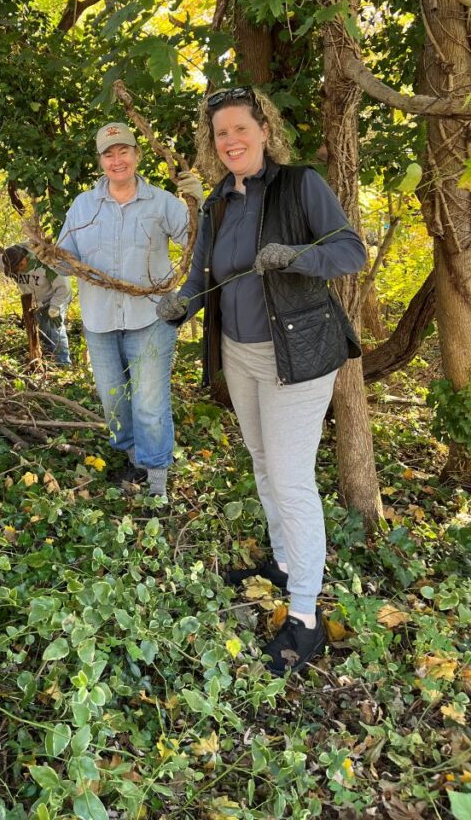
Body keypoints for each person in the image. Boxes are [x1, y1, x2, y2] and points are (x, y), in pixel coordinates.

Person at [156, 86, 366, 674]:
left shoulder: (301, 185)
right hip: (239, 354)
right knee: (263, 461)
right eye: (220, 133)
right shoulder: (217, 203)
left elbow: (351, 250)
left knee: (293, 479)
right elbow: (203, 275)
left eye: (240, 129)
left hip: (295, 355)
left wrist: (297, 255)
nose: (231, 141)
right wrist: (182, 305)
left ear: (264, 131)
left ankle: (305, 616)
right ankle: (283, 561)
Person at [57, 121, 203, 498]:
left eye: (124, 151)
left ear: (136, 155)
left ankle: (157, 483)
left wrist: (200, 205)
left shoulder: (162, 203)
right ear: (100, 161)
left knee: (150, 403)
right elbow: (63, 258)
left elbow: (198, 243)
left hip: (152, 317)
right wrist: (39, 254)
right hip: (100, 320)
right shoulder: (83, 206)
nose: (117, 160)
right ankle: (134, 460)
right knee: (114, 401)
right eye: (109, 154)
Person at [0, 243, 73, 365]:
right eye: (15, 270)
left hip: (55, 298)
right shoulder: (7, 262)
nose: (19, 271)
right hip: (36, 303)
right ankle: (49, 358)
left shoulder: (45, 263)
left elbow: (63, 288)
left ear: (24, 259)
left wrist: (55, 308)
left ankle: (63, 363)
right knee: (42, 331)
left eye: (20, 267)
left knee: (55, 330)